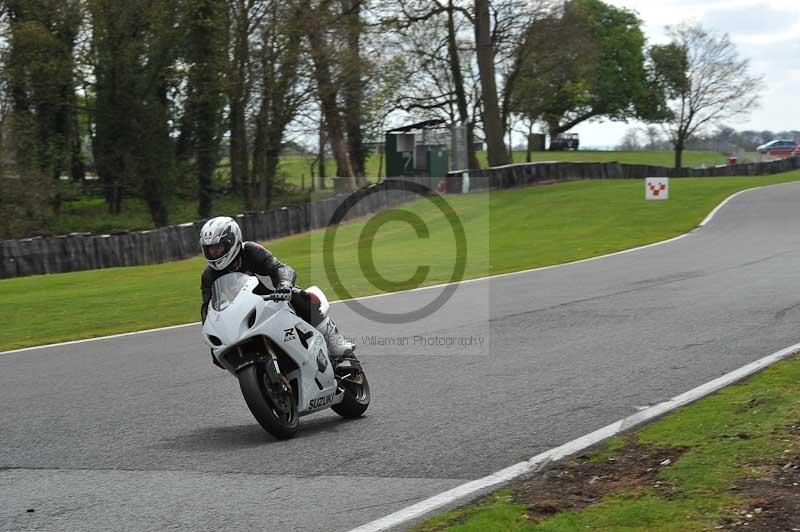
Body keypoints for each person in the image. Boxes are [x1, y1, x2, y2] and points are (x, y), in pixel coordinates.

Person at [198, 216, 355, 366]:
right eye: (209, 249)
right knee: (217, 354)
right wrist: (210, 328)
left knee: (299, 296)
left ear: (231, 242)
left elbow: (281, 268)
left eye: (217, 248)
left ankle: (335, 341)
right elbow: (208, 307)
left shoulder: (251, 251)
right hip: (244, 314)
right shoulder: (208, 275)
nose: (213, 253)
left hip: (276, 299)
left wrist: (284, 284)